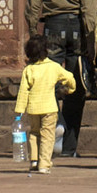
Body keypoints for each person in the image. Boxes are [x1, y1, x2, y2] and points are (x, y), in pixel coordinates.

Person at [24, 0, 97, 159]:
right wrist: (90, 39)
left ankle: (54, 129)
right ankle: (69, 146)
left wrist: (33, 29)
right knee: (76, 86)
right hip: (76, 27)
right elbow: (88, 6)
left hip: (52, 26)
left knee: (48, 84)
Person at [13, 31, 75, 176]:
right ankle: (44, 164)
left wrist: (20, 110)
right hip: (49, 108)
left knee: (34, 133)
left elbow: (23, 91)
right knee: (48, 136)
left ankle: (34, 160)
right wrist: (70, 89)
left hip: (33, 108)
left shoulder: (28, 70)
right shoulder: (53, 67)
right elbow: (70, 77)